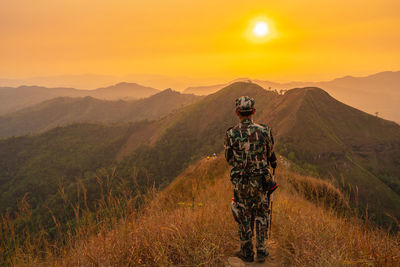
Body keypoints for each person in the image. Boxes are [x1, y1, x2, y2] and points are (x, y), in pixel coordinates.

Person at [224, 96, 277, 263]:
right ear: (253, 111)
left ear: (237, 113)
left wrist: (242, 164)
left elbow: (229, 158)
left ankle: (247, 252)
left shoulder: (231, 134)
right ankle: (262, 250)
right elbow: (269, 154)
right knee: (262, 214)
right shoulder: (265, 131)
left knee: (244, 216)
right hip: (261, 182)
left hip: (242, 183)